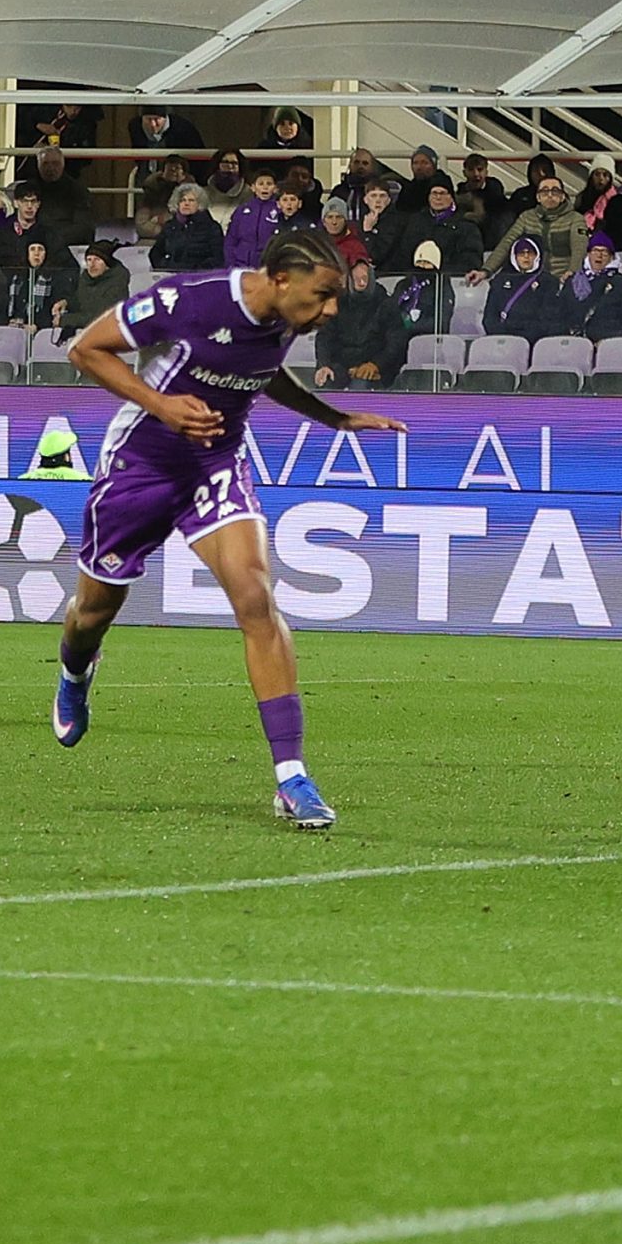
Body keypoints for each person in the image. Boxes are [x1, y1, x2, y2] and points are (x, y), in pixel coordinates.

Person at [53, 232, 406, 831]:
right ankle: (75, 672)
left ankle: (291, 777)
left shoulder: (287, 320)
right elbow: (87, 350)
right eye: (322, 296)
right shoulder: (191, 301)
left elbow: (260, 371)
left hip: (217, 462)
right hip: (141, 465)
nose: (332, 311)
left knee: (255, 598)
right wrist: (162, 406)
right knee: (93, 610)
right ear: (279, 279)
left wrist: (332, 417)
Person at [312, 256, 400, 388]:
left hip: (375, 367)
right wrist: (324, 365)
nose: (361, 283)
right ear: (350, 279)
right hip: (341, 365)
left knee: (360, 386)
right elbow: (324, 337)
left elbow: (396, 343)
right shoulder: (338, 303)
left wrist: (376, 365)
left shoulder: (386, 304)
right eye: (357, 279)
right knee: (327, 380)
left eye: (364, 278)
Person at [563, 235, 622, 340]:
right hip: (574, 342)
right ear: (588, 254)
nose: (599, 255)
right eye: (595, 250)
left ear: (611, 257)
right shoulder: (572, 281)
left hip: (608, 342)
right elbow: (560, 315)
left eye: (604, 252)